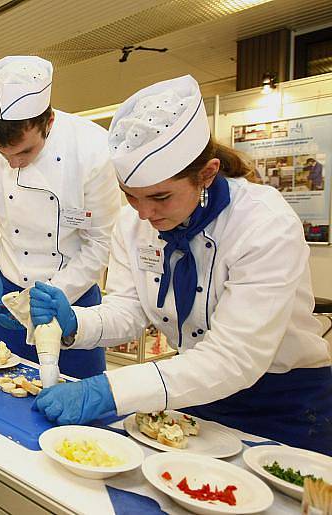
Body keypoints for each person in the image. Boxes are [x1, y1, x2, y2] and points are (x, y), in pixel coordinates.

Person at [29, 75, 332, 455]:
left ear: (207, 173)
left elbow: (234, 356)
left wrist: (111, 389)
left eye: (160, 197)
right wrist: (79, 322)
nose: (144, 213)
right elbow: (132, 308)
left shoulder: (263, 223)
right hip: (192, 390)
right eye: (131, 197)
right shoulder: (133, 223)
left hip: (285, 403)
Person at [0, 56, 120, 379]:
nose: (15, 164)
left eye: (25, 153)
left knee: (77, 407)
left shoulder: (93, 149)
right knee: (0, 398)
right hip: (8, 301)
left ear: (48, 121)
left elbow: (100, 242)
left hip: (72, 301)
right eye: (4, 155)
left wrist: (56, 294)